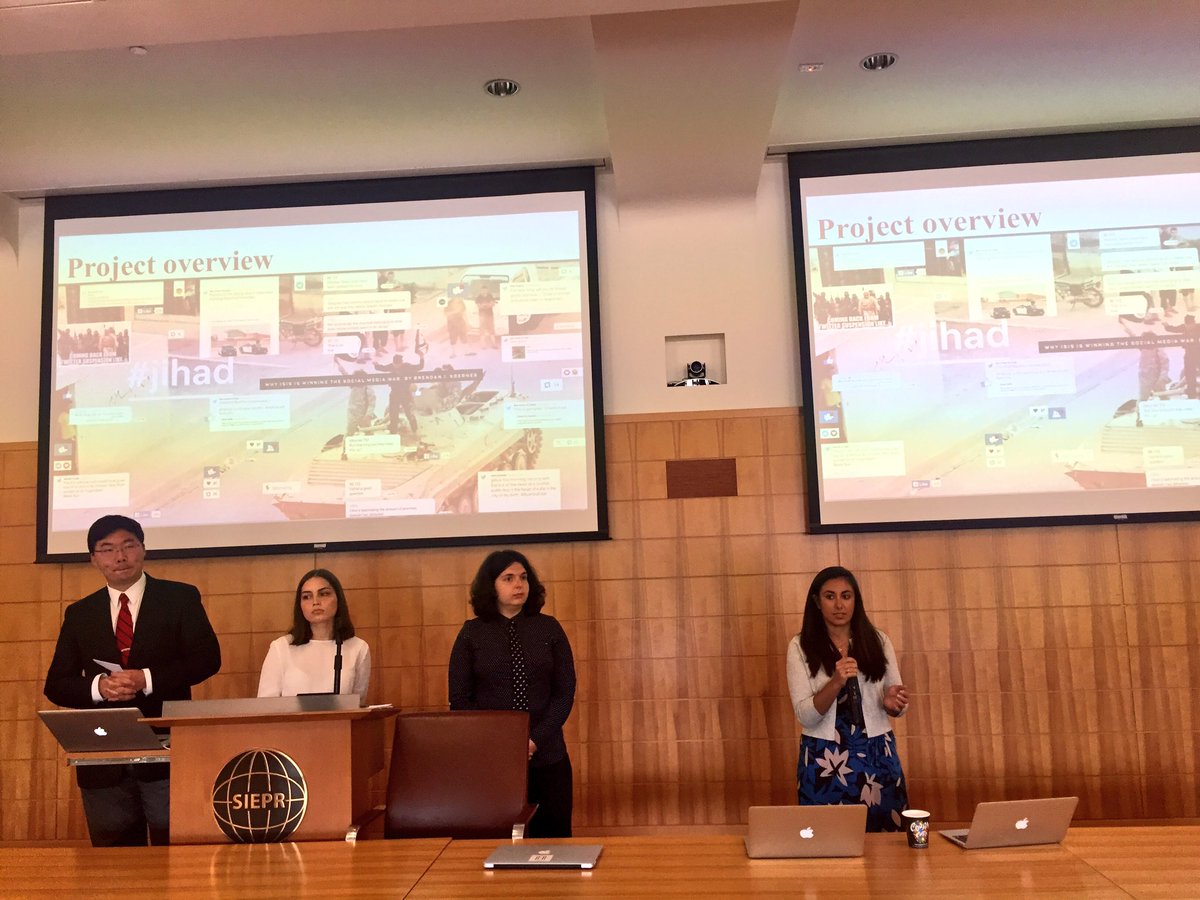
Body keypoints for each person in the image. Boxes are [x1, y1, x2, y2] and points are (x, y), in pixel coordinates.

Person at [43, 515, 221, 846]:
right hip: (104, 757)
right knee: (115, 862)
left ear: (143, 549)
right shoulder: (80, 613)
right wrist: (99, 687)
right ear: (94, 559)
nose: (120, 556)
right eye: (107, 549)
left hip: (168, 751)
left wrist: (146, 679)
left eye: (128, 545)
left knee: (177, 853)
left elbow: (207, 660)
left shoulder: (179, 597)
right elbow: (56, 684)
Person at [448, 549, 576, 838]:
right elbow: (460, 700)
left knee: (552, 843)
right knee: (494, 843)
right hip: (492, 759)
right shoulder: (471, 634)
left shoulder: (549, 628)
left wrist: (534, 740)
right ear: (490, 586)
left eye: (523, 577)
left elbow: (564, 692)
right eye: (508, 578)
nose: (519, 585)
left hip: (547, 753)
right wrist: (503, 743)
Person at [786, 566, 910, 832]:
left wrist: (893, 704)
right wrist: (836, 682)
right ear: (817, 602)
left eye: (846, 596)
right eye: (830, 596)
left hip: (877, 751)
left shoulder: (878, 641)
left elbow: (899, 702)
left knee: (887, 837)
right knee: (826, 837)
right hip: (824, 755)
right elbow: (805, 716)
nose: (839, 605)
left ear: (856, 600)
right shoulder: (800, 646)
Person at [257, 569, 371, 698]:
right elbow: (265, 704)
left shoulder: (358, 648)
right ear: (300, 605)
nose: (315, 602)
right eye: (307, 597)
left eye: (324, 594)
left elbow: (357, 703)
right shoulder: (281, 648)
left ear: (338, 599)